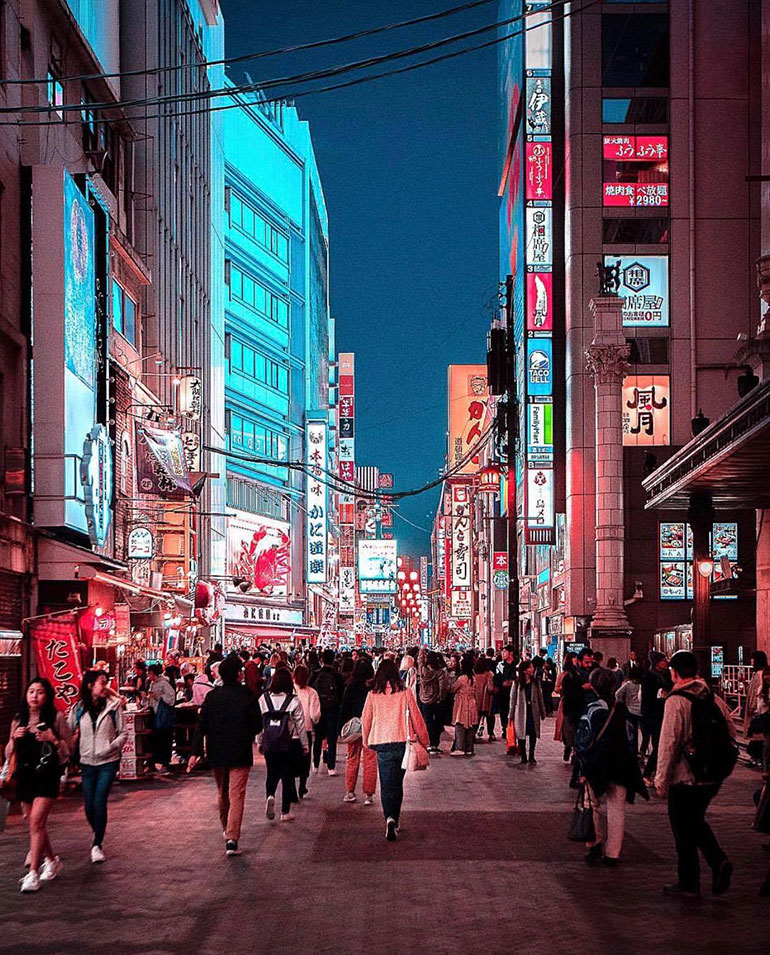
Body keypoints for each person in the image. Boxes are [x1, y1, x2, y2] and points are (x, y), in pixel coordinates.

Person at [655, 650, 735, 898]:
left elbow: (668, 742)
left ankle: (690, 881)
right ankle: (717, 862)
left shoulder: (676, 700)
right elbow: (730, 730)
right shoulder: (710, 696)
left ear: (674, 672)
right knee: (695, 821)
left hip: (685, 776)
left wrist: (661, 779)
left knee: (683, 829)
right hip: (711, 775)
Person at [188, 655, 263, 856]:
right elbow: (257, 726)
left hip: (217, 751)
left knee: (222, 792)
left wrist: (195, 752)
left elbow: (201, 725)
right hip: (240, 750)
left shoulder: (212, 697)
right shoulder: (248, 696)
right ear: (239, 675)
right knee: (236, 794)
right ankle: (231, 838)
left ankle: (226, 829)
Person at [5, 678, 72, 892]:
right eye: (31, 691)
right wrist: (14, 739)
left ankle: (33, 873)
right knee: (34, 823)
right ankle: (51, 860)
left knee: (36, 822)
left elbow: (69, 750)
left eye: (40, 692)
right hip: (25, 776)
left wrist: (53, 739)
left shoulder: (56, 718)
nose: (34, 695)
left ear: (47, 696)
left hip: (47, 776)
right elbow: (8, 754)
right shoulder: (18, 720)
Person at [578, 667, 648, 867]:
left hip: (596, 765)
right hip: (621, 765)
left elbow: (584, 740)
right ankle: (612, 853)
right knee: (617, 809)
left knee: (591, 804)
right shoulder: (622, 710)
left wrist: (583, 768)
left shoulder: (593, 709)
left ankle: (594, 844)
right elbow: (630, 737)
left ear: (593, 686)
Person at [361, 659, 429, 842]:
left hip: (381, 743)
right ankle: (395, 819)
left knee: (385, 784)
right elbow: (417, 719)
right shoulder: (405, 693)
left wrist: (365, 740)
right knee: (397, 783)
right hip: (401, 742)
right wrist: (425, 741)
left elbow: (366, 719)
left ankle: (389, 818)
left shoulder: (373, 694)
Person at [69, 670, 127, 864]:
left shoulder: (113, 707)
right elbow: (66, 729)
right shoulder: (78, 708)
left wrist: (111, 747)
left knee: (99, 800)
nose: (106, 686)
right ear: (89, 686)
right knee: (88, 805)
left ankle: (97, 844)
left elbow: (123, 733)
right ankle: (98, 830)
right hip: (86, 762)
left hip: (108, 762)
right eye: (102, 682)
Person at [259, 667, 308, 822]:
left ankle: (270, 796)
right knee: (287, 776)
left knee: (271, 773)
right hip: (290, 743)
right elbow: (300, 725)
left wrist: (259, 741)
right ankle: (285, 812)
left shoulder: (263, 699)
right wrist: (304, 744)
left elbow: (260, 724)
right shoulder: (293, 701)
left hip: (270, 742)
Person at [339, 658, 377, 803]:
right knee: (370, 759)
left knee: (352, 758)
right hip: (370, 727)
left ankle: (350, 792)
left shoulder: (350, 687)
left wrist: (341, 728)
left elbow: (344, 708)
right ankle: (369, 794)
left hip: (354, 728)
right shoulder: (373, 688)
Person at [310, 649, 345, 776]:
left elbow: (311, 691)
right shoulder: (337, 676)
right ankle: (331, 767)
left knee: (318, 738)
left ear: (321, 660)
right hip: (333, 710)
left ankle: (315, 764)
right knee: (331, 738)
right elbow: (342, 694)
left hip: (319, 710)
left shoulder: (315, 674)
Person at [641, 651, 671, 785]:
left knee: (659, 745)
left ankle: (657, 772)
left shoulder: (667, 675)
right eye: (664, 660)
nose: (666, 662)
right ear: (657, 663)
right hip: (652, 716)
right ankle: (647, 773)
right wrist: (661, 694)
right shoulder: (649, 676)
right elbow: (648, 698)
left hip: (663, 714)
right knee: (659, 746)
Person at [510, 660, 546, 764]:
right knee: (522, 733)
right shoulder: (517, 682)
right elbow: (513, 700)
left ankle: (531, 755)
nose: (532, 669)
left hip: (533, 711)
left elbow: (540, 697)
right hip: (521, 711)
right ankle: (523, 755)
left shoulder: (535, 682)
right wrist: (511, 715)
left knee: (533, 733)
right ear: (525, 670)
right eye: (530, 667)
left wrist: (543, 712)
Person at [293, 665, 321, 800]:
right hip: (306, 729)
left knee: (291, 760)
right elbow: (314, 715)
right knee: (305, 760)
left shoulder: (290, 690)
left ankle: (291, 788)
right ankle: (302, 786)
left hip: (290, 732)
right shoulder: (312, 693)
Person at [147, 663, 176, 775]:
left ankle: (165, 763)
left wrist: (159, 697)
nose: (149, 675)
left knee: (163, 739)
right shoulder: (152, 684)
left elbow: (171, 698)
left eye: (150, 673)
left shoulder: (164, 683)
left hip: (163, 717)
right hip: (155, 715)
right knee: (155, 740)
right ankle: (153, 763)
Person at [417, 647, 446, 754]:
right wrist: (441, 698)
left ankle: (428, 743)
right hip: (436, 700)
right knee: (437, 722)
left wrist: (422, 651)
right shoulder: (440, 673)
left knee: (427, 721)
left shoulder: (423, 671)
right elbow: (442, 687)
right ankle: (435, 743)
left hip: (424, 699)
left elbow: (419, 662)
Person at [451, 654, 478, 756]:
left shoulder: (462, 678)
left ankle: (460, 747)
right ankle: (469, 747)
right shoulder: (473, 678)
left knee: (460, 725)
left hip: (462, 703)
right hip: (471, 702)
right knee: (470, 726)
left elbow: (453, 688)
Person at [616, 667, 644, 755]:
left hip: (631, 710)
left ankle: (634, 751)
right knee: (644, 733)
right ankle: (642, 750)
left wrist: (622, 703)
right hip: (642, 710)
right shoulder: (643, 684)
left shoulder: (628, 684)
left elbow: (617, 694)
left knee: (633, 733)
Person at [493, 645, 517, 735]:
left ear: (511, 653)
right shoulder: (500, 665)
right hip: (503, 693)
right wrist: (502, 683)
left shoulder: (518, 664)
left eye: (505, 652)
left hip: (515, 693)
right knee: (504, 711)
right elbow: (496, 678)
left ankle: (513, 728)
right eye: (502, 652)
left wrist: (512, 682)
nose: (503, 654)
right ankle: (505, 729)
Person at [473, 656, 494, 740]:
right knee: (489, 716)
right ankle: (491, 734)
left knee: (476, 717)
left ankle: (473, 733)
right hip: (487, 698)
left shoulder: (474, 673)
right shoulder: (489, 673)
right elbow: (491, 688)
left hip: (476, 698)